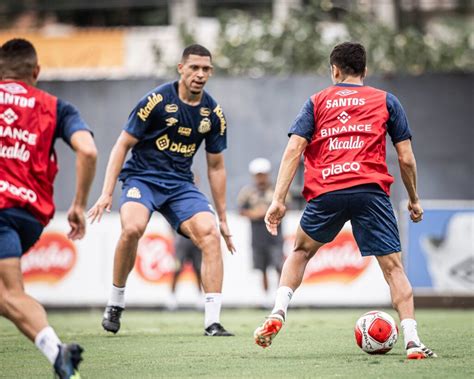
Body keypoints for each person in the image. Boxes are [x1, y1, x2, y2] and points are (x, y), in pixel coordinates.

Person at [253, 42, 437, 359]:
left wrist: (277, 200)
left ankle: (278, 312)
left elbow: (293, 151)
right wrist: (414, 199)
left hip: (327, 190)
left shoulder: (316, 102)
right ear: (364, 71)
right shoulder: (386, 100)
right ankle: (412, 340)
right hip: (370, 191)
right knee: (394, 269)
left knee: (299, 252)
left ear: (334, 70)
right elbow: (405, 158)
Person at [88, 44, 236, 336]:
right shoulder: (155, 101)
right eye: (194, 67)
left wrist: (223, 217)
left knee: (210, 234)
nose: (200, 74)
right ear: (181, 68)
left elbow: (216, 167)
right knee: (132, 228)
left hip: (180, 185)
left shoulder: (213, 113)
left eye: (206, 69)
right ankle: (116, 302)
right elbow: (122, 144)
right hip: (142, 179)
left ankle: (212, 322)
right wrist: (106, 192)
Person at [0, 39, 97, 378]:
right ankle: (59, 355)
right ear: (36, 71)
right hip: (27, 216)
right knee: (6, 296)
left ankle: (57, 353)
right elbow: (87, 151)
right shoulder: (57, 107)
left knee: (9, 296)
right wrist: (79, 204)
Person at [237, 158, 284, 301]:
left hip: (275, 234)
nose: (261, 178)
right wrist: (255, 214)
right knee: (262, 268)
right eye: (258, 175)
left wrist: (269, 213)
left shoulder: (277, 190)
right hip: (258, 235)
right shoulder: (248, 192)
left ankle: (281, 297)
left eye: (263, 174)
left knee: (278, 265)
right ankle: (266, 298)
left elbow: (286, 206)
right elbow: (241, 210)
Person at [167, 234, 203, 310]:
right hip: (181, 241)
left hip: (195, 240)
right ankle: (172, 298)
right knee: (176, 270)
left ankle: (200, 298)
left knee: (198, 271)